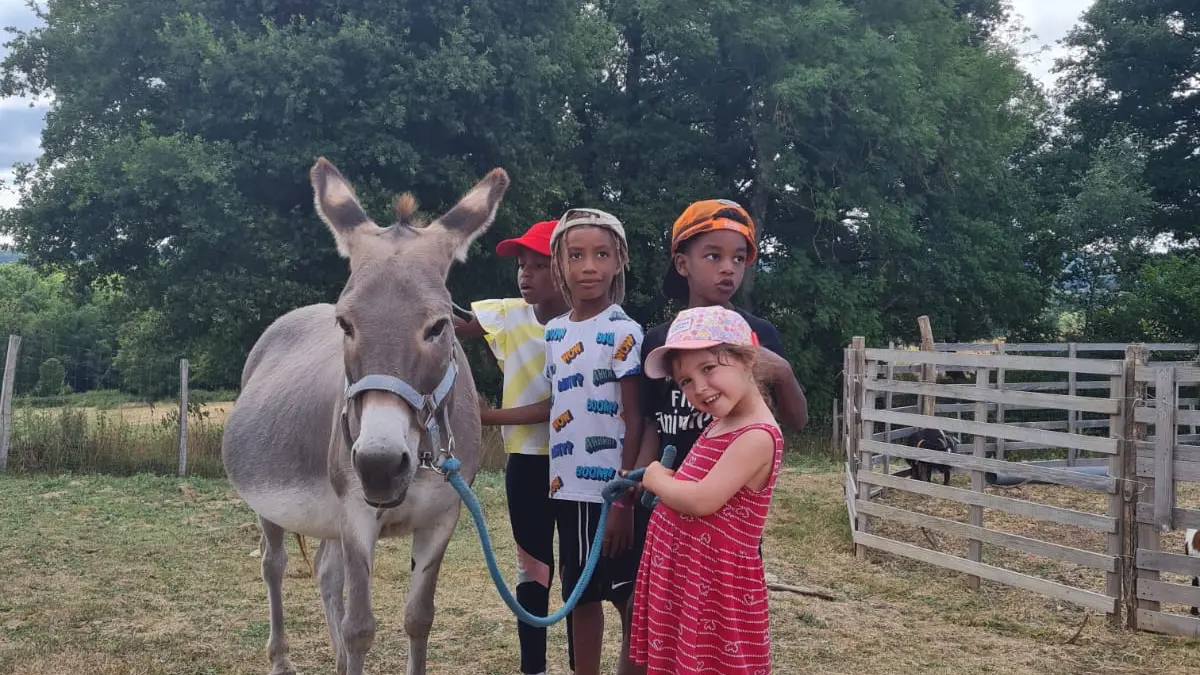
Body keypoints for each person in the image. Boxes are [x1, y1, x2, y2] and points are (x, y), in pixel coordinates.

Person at [628, 305, 785, 674]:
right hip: (688, 578)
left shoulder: (757, 436)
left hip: (714, 588)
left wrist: (654, 476)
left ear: (747, 359)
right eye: (684, 381)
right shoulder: (720, 424)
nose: (698, 388)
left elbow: (700, 500)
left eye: (709, 368)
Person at [453, 219, 568, 675]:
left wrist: (488, 417)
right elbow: (451, 325)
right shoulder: (509, 312)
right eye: (522, 265)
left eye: (539, 266)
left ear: (565, 268)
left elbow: (558, 403)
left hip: (577, 460)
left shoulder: (585, 324)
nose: (526, 275)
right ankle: (532, 667)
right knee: (533, 568)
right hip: (526, 461)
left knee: (579, 574)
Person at [542, 207, 645, 675]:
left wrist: (624, 497)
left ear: (619, 259)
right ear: (559, 263)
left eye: (601, 254)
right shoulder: (554, 331)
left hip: (612, 493)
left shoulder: (624, 332)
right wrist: (482, 415)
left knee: (626, 596)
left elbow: (636, 415)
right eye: (576, 255)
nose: (589, 266)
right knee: (579, 594)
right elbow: (557, 402)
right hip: (566, 490)